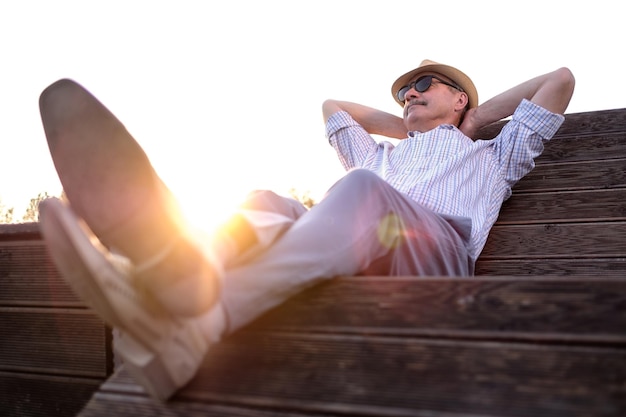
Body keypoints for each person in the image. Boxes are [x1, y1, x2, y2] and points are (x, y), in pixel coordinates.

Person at [37, 59, 575, 400]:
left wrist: (473, 121)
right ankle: (165, 271)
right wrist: (412, 119)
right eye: (404, 90)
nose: (409, 93)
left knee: (364, 190)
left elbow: (560, 80)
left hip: (437, 263)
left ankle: (197, 320)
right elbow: (332, 107)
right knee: (266, 202)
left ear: (460, 97)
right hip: (368, 242)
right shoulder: (386, 154)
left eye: (423, 84)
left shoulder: (495, 155)